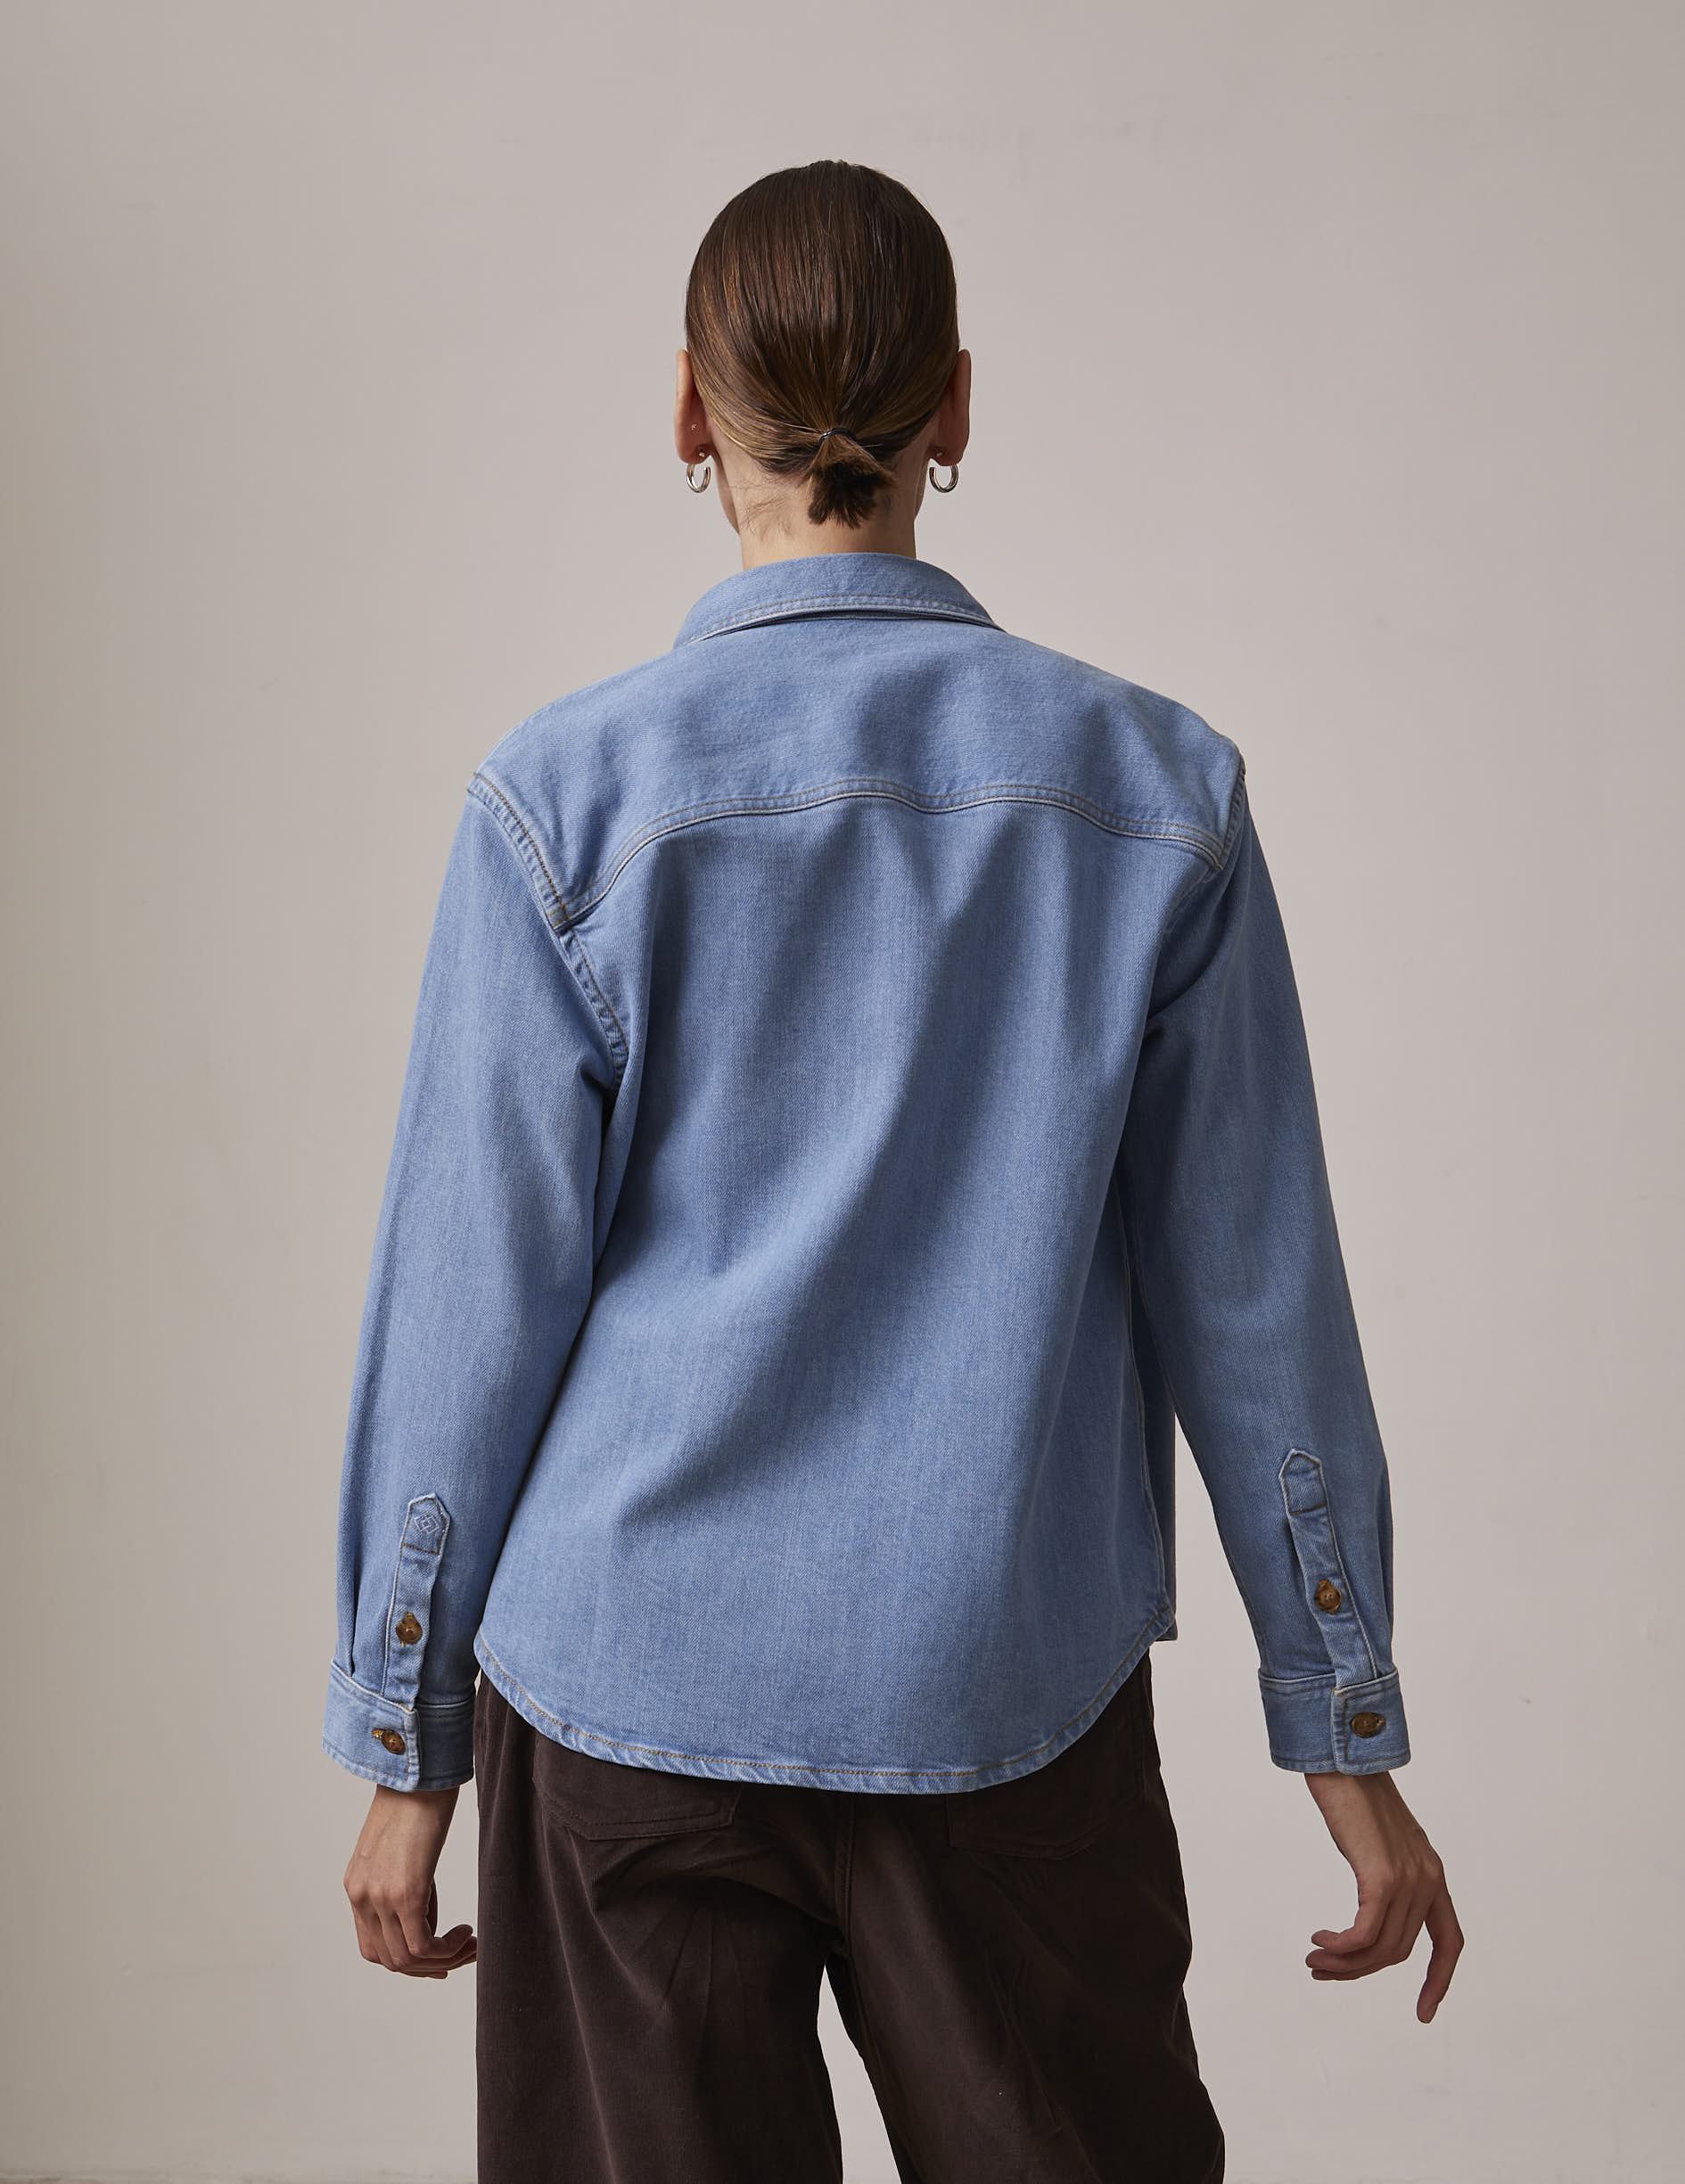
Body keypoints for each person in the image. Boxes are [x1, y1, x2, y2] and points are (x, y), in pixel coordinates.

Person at [323, 159, 1461, 2183]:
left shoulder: (561, 806)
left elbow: (467, 1309)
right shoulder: (1157, 796)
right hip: (1000, 1684)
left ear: (691, 411)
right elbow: (1255, 1300)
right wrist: (1342, 1722)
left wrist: (407, 1743)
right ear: (954, 404)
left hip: (624, 1694)